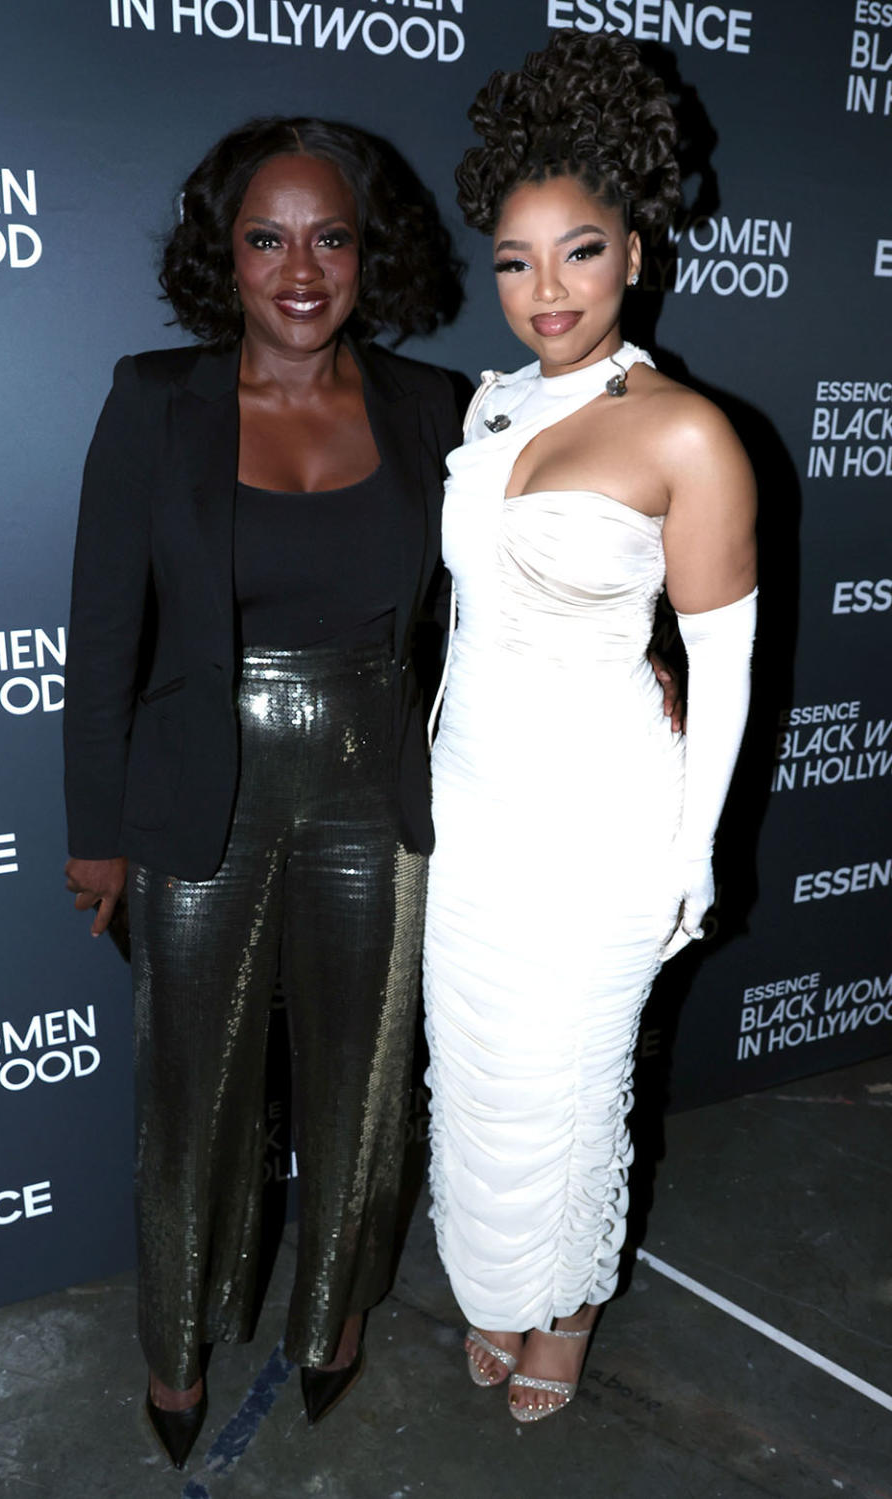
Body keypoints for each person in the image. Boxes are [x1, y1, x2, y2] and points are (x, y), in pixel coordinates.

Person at [63, 116, 465, 1468]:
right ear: (222, 255)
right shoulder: (153, 398)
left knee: (365, 1085)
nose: (302, 268)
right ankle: (174, 1350)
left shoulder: (436, 411)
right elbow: (103, 632)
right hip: (199, 791)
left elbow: (517, 595)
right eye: (268, 237)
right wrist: (98, 834)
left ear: (369, 253)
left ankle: (332, 1320)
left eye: (331, 236)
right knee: (193, 1090)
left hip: (372, 784)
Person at [423, 30, 757, 1422]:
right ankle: (502, 1290)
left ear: (637, 250)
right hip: (471, 810)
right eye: (514, 258)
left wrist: (696, 854)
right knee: (484, 1076)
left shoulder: (686, 433)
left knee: (570, 1083)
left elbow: (726, 670)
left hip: (603, 823)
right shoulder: (494, 404)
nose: (544, 289)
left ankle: (564, 1310)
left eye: (579, 251)